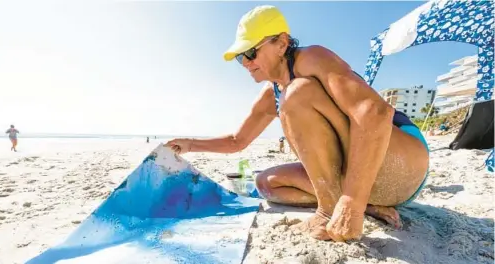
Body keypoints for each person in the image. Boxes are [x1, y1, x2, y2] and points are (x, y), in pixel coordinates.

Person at [165, 5, 429, 242]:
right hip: (368, 181)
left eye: (250, 52)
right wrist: (190, 144)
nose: (246, 63)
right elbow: (237, 141)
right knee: (266, 182)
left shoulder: (311, 58)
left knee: (298, 93)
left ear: (281, 43)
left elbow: (374, 112)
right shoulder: (272, 94)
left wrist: (353, 202)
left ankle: (331, 209)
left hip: (403, 162)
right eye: (240, 57)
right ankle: (363, 205)